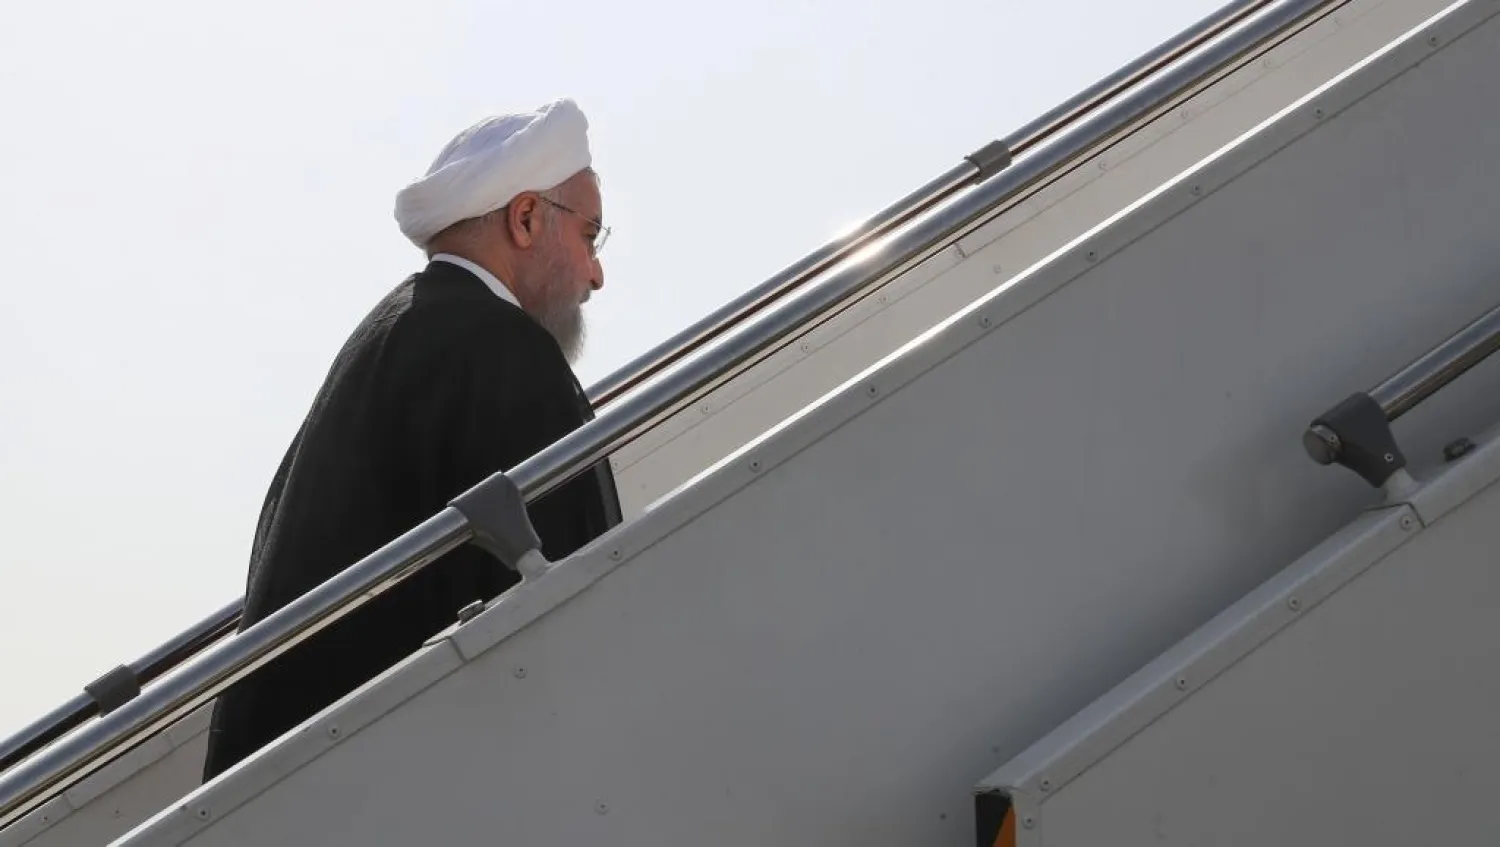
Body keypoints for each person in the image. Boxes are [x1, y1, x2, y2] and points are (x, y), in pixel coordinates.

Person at [201, 98, 623, 781]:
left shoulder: (397, 332)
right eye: (589, 235)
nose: (596, 272)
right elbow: (570, 608)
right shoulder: (499, 352)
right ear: (525, 219)